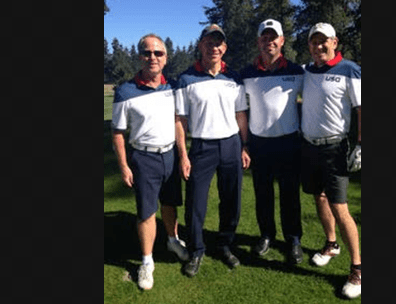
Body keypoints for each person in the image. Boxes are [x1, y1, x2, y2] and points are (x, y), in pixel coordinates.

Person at [110, 34, 190, 290]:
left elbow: (179, 123)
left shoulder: (173, 87)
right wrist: (124, 166)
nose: (152, 57)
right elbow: (118, 133)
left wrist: (183, 154)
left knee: (170, 204)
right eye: (147, 53)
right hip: (143, 158)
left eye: (158, 53)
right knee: (146, 212)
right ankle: (146, 262)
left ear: (166, 58)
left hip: (170, 155)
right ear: (140, 56)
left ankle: (172, 239)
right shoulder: (125, 91)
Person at [174, 24, 250, 277]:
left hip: (231, 144)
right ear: (200, 45)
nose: (213, 47)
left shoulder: (234, 78)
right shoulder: (186, 79)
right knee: (196, 201)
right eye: (208, 42)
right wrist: (183, 155)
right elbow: (180, 120)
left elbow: (240, 114)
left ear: (224, 48)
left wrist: (244, 145)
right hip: (202, 146)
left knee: (231, 199)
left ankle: (225, 244)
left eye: (218, 43)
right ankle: (196, 250)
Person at [300, 22, 362, 299]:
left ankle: (358, 269)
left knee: (340, 207)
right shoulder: (308, 70)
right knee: (320, 197)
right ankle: (331, 244)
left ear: (335, 42)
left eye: (324, 41)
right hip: (309, 147)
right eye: (314, 41)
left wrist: (361, 145)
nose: (319, 46)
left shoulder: (349, 69)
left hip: (335, 147)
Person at [238, 19, 305, 264]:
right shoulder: (246, 73)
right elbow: (239, 110)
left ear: (282, 40)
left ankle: (293, 239)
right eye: (264, 38)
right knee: (263, 194)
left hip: (289, 143)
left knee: (290, 196)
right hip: (259, 144)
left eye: (273, 37)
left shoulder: (297, 71)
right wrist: (244, 143)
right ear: (258, 42)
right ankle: (266, 234)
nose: (269, 41)